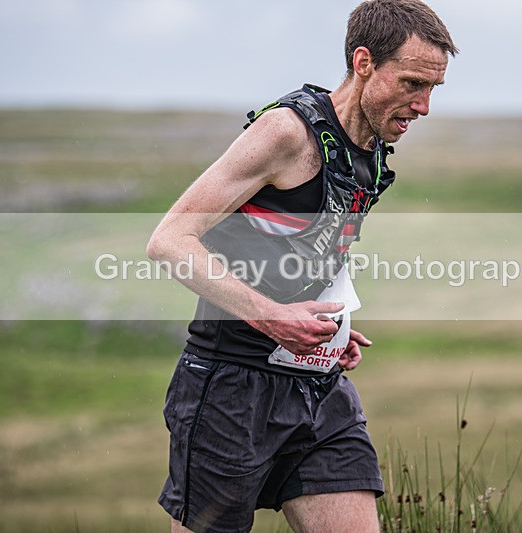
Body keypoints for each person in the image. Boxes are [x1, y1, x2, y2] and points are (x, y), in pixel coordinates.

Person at [147, 1, 456, 531]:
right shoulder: (286, 133)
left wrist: (334, 329)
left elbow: (316, 247)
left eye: (433, 88)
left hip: (317, 385)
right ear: (363, 62)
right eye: (412, 83)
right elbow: (169, 241)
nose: (424, 105)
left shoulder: (370, 147)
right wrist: (272, 318)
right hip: (229, 388)